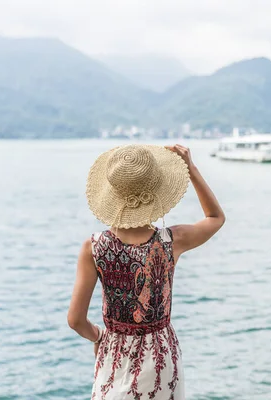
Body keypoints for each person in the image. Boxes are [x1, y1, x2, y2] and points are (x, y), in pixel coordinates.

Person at [67, 144, 225, 400]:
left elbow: (75, 320)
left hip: (114, 354)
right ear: (156, 191)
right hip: (161, 356)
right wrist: (192, 169)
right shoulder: (172, 241)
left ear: (113, 194)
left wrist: (98, 335)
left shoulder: (94, 248)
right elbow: (215, 217)